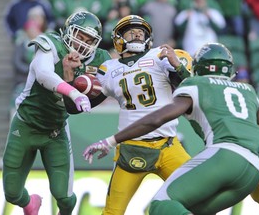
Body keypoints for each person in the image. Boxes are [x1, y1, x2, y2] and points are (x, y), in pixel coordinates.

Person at [83, 42, 259, 214]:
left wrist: (110, 141)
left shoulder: (196, 84)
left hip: (226, 156)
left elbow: (156, 119)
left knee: (161, 205)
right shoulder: (248, 89)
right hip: (256, 163)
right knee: (192, 207)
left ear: (199, 67)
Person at [80, 15, 193, 215]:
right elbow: (83, 105)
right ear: (118, 38)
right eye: (132, 32)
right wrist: (73, 84)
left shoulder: (159, 55)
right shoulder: (108, 69)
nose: (138, 36)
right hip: (131, 148)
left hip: (168, 146)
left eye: (141, 33)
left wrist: (178, 66)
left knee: (199, 196)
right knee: (112, 212)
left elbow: (190, 89)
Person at [2, 11, 111, 215]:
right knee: (12, 194)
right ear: (69, 31)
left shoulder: (100, 60)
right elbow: (44, 74)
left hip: (56, 131)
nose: (82, 44)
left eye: (89, 40)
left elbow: (115, 82)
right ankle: (30, 204)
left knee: (65, 198)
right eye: (79, 36)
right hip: (25, 125)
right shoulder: (51, 43)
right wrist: (74, 92)